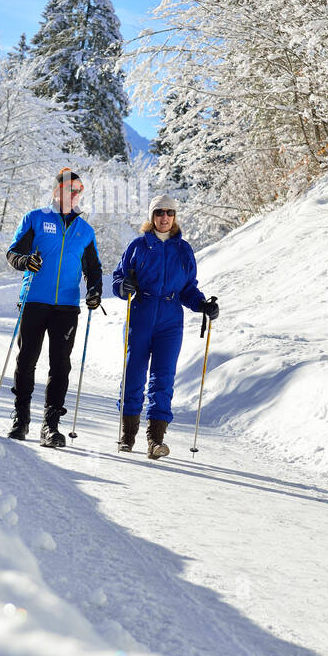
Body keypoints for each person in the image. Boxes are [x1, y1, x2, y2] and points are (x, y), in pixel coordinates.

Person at [112, 193, 219, 458]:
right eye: (159, 212)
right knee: (134, 373)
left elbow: (188, 289)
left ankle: (155, 440)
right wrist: (122, 287)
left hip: (171, 319)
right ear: (151, 216)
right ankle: (127, 436)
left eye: (169, 213)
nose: (164, 217)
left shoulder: (183, 249)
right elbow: (118, 278)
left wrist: (203, 305)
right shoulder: (138, 246)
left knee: (164, 377)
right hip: (142, 313)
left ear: (175, 216)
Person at [5, 168, 103, 447]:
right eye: (70, 189)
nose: (74, 194)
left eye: (79, 190)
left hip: (67, 307)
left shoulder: (85, 231)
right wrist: (26, 262)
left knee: (60, 365)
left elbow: (94, 269)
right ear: (56, 191)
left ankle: (51, 426)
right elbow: (13, 253)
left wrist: (95, 291)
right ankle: (21, 418)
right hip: (34, 299)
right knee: (27, 360)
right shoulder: (35, 218)